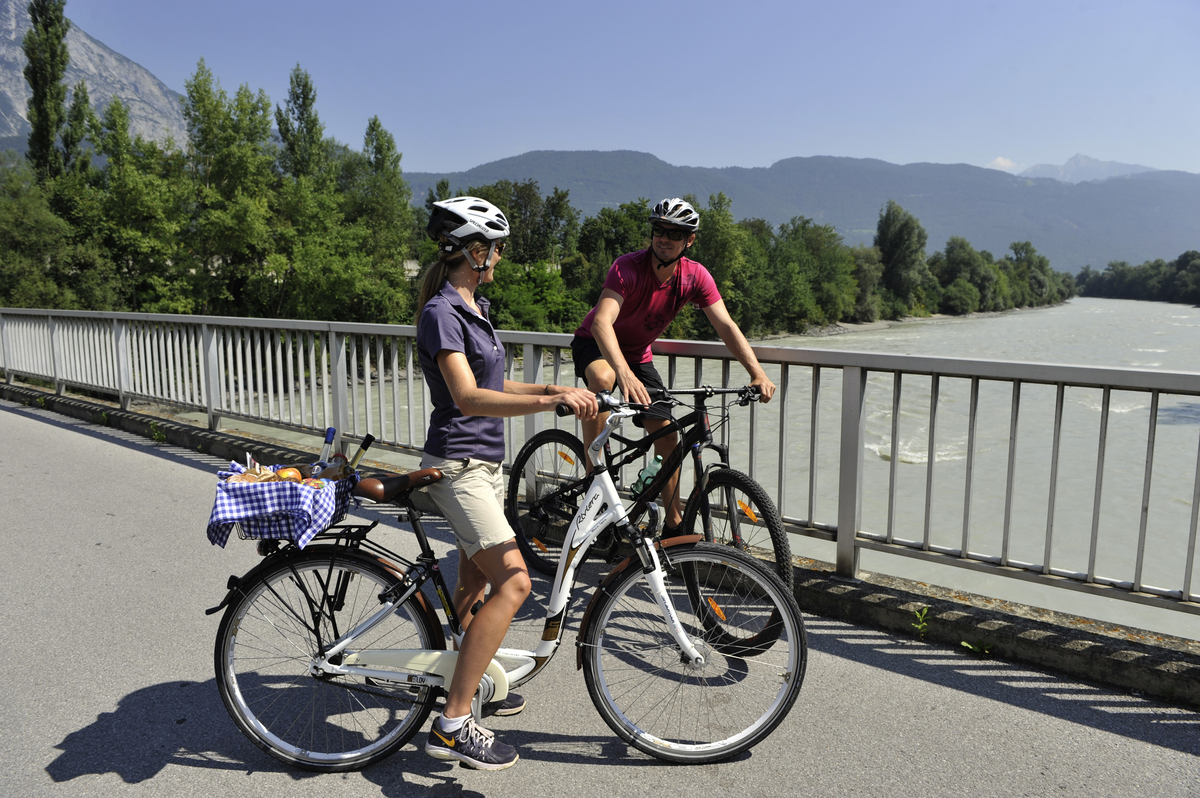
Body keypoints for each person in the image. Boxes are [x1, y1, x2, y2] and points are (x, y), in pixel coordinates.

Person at [416, 197, 597, 770]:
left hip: (487, 466)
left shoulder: (475, 307)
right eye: (494, 247)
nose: (499, 256)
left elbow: (497, 380)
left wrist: (555, 392)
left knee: (472, 590)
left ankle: (466, 681)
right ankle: (452, 722)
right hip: (460, 467)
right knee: (516, 583)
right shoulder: (442, 312)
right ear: (475, 250)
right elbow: (467, 397)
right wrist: (550, 401)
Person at [571, 197, 776, 534]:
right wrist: (623, 375)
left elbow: (725, 325)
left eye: (675, 233)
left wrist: (757, 372)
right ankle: (595, 474)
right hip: (595, 345)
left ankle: (673, 523)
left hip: (637, 356)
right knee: (605, 376)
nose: (664, 238)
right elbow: (601, 323)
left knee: (669, 438)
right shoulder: (627, 267)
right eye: (659, 230)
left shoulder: (694, 277)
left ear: (689, 240)